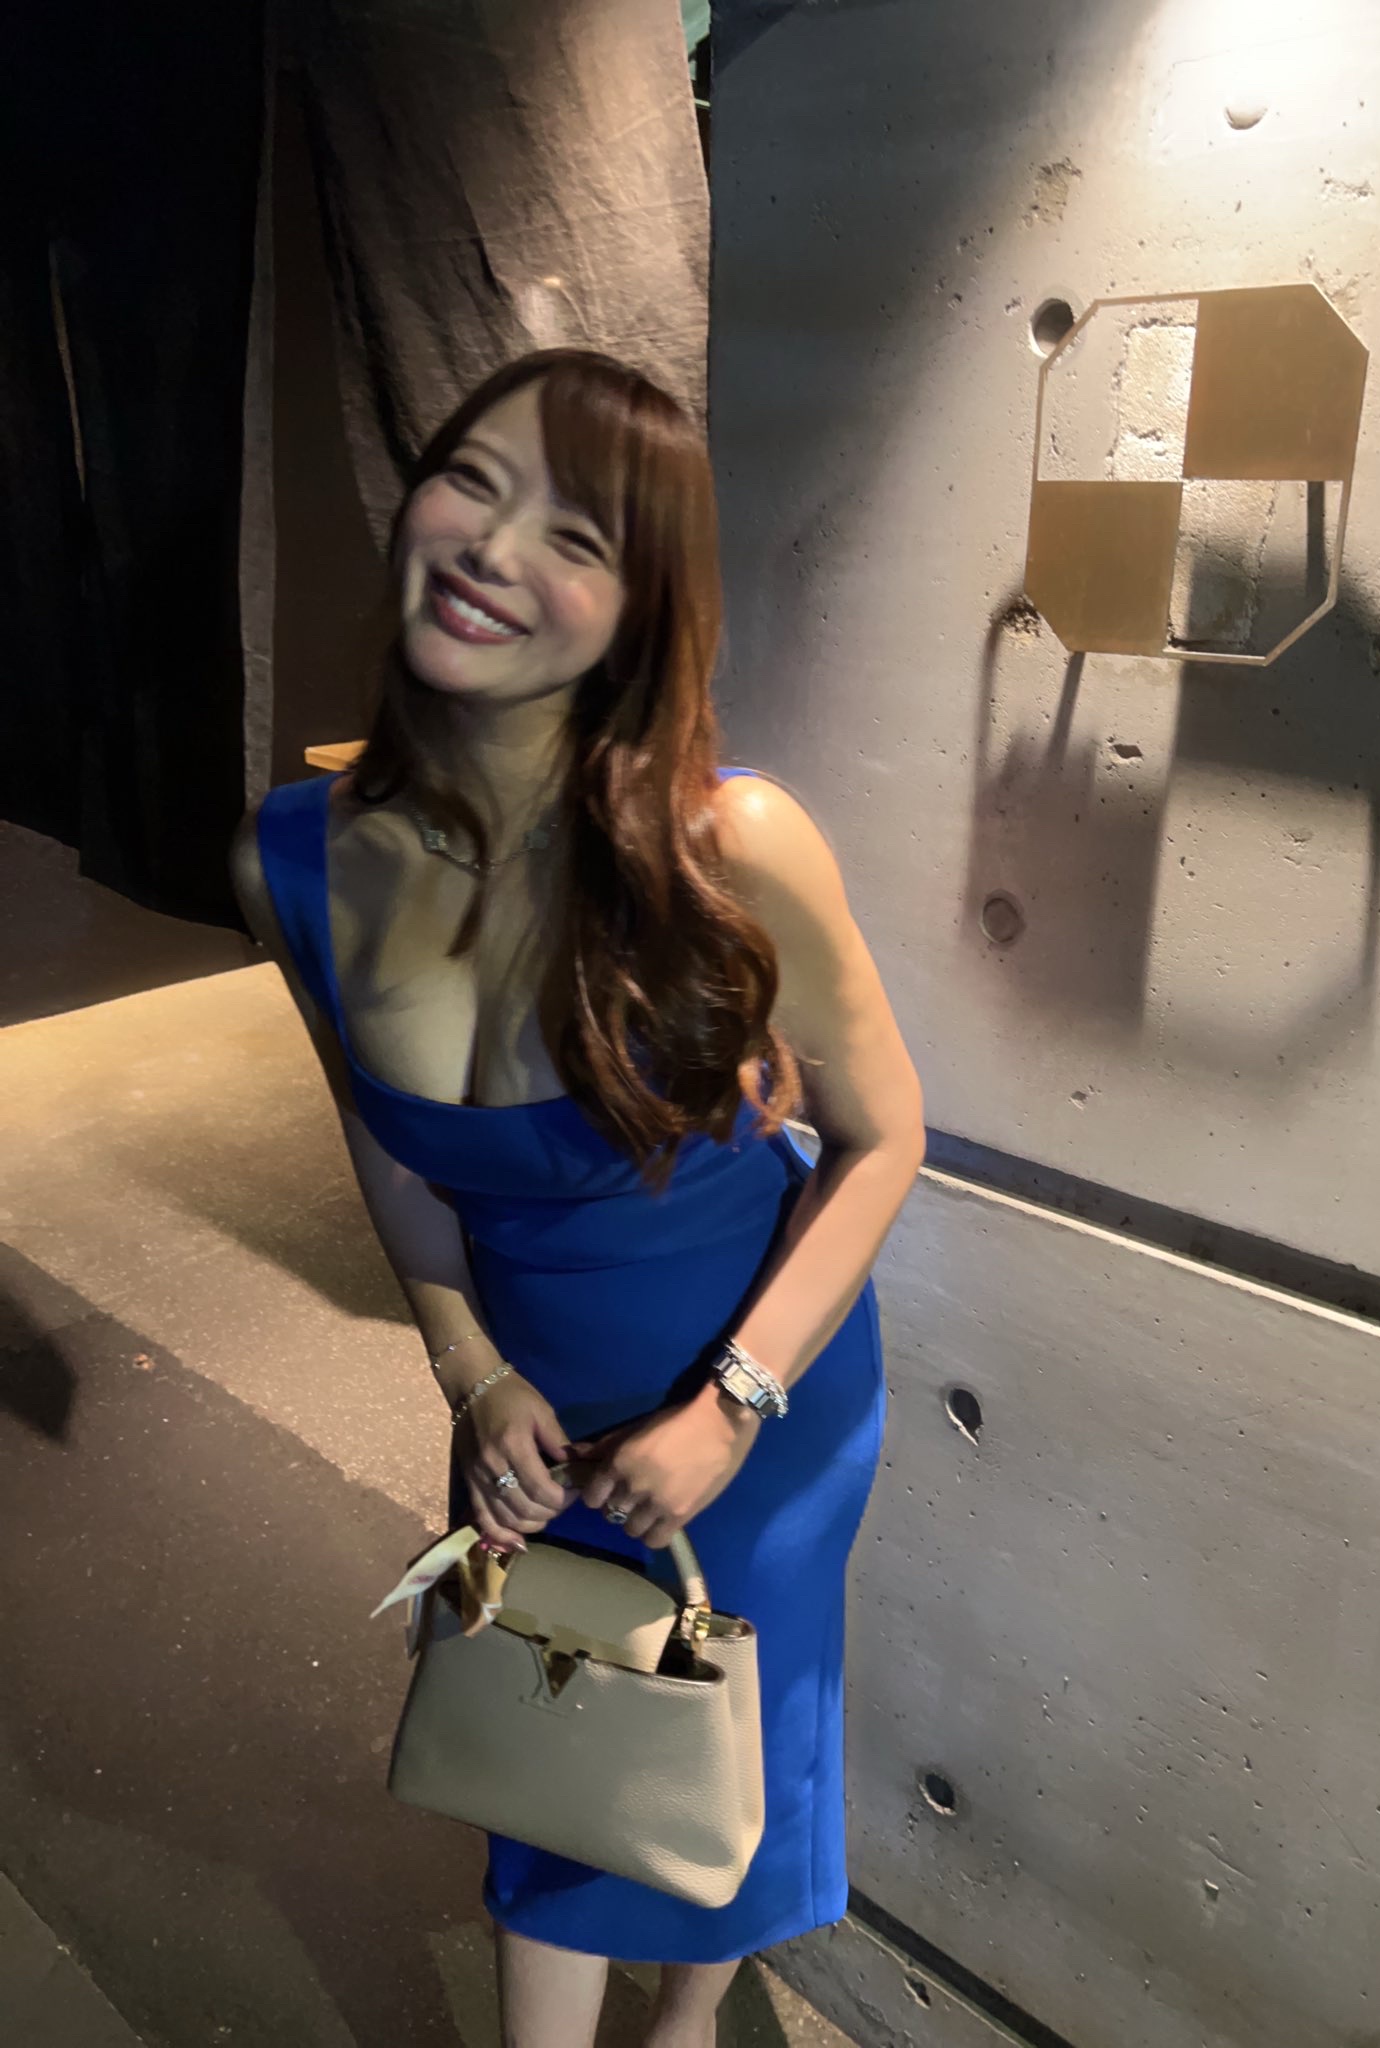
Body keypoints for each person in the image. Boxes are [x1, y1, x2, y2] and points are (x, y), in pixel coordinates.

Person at [230, 348, 924, 2048]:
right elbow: (394, 1153)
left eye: (578, 536)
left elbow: (884, 1135)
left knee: (723, 1730)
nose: (492, 546)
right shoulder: (292, 859)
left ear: (642, 612)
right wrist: (469, 1373)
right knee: (546, 1738)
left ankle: (687, 2023)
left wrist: (734, 1409)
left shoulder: (734, 844)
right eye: (471, 481)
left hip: (761, 1382)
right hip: (528, 1404)